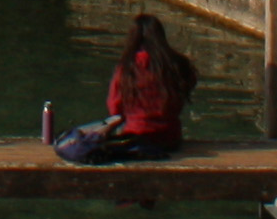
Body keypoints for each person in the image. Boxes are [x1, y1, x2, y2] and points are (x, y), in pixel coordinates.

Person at [49, 12, 198, 163]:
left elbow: (115, 109)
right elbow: (188, 86)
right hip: (170, 138)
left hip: (137, 138)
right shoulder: (178, 65)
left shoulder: (127, 69)